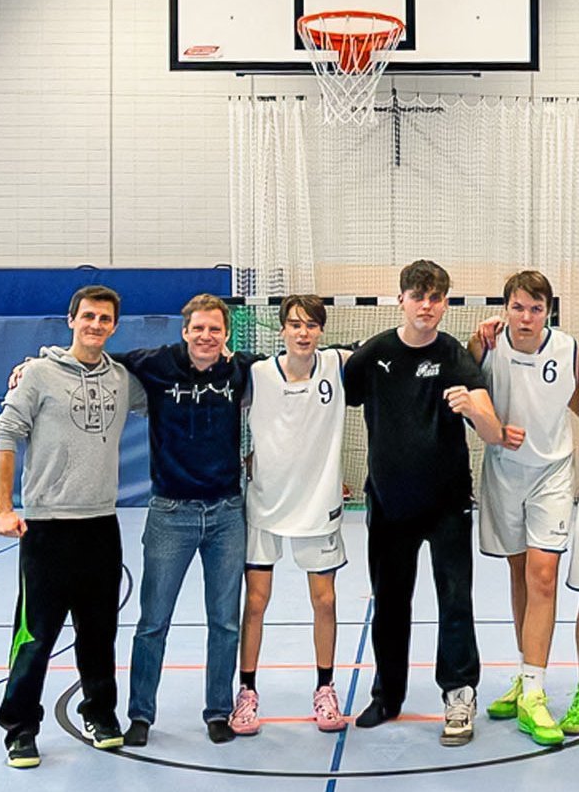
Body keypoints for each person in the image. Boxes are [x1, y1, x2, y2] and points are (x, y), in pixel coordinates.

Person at [343, 259, 520, 747]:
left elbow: (491, 430)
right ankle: (388, 694)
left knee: (455, 600)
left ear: (445, 303)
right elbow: (334, 398)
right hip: (389, 505)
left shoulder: (454, 357)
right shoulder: (373, 354)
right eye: (419, 296)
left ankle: (459, 693)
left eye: (437, 297)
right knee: (391, 603)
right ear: (401, 299)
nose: (427, 306)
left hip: (446, 504)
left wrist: (476, 412)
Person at [0, 285, 146, 769]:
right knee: (34, 635)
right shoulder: (37, 374)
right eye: (88, 317)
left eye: (105, 319)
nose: (95, 325)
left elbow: (169, 386)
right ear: (71, 319)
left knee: (99, 632)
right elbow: (6, 435)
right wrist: (3, 507)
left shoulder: (124, 380)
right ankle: (20, 726)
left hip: (101, 524)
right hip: (46, 528)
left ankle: (99, 714)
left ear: (115, 326)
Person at [118, 294, 258, 746]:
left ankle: (218, 710)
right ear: (184, 331)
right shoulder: (155, 364)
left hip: (226, 513)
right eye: (198, 329)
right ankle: (140, 714)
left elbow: (294, 364)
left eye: (215, 330)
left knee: (225, 621)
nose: (206, 337)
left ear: (226, 335)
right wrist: (36, 363)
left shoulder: (240, 371)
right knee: (153, 620)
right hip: (170, 514)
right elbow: (92, 358)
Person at [229, 295, 350, 736]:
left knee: (326, 602)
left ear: (321, 330)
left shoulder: (338, 366)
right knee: (256, 602)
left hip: (318, 507)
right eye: (295, 324)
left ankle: (325, 688)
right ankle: (247, 692)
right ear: (281, 329)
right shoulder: (257, 374)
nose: (303, 332)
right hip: (265, 506)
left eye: (312, 325)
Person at [468, 270, 578, 746]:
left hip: (552, 475)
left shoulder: (568, 348)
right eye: (518, 307)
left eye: (536, 308)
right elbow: (469, 394)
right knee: (519, 575)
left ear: (548, 311)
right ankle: (525, 673)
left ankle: (535, 693)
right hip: (503, 473)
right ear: (505, 309)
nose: (527, 317)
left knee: (543, 576)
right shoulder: (487, 347)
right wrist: (477, 342)